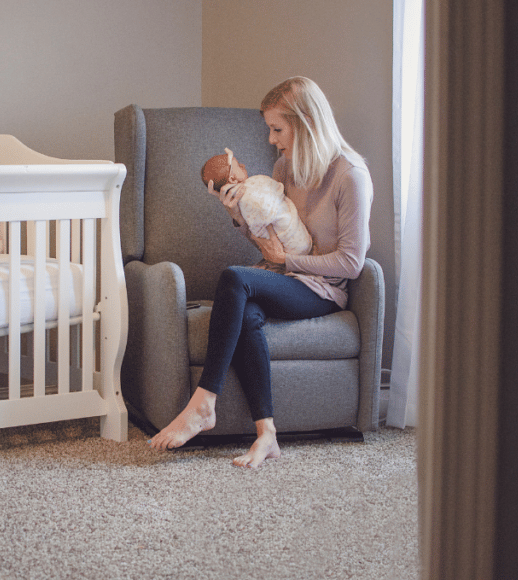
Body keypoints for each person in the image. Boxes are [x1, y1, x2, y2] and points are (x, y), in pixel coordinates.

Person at [148, 76, 373, 468]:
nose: (270, 139)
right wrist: (238, 215)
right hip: (285, 277)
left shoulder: (349, 176)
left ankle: (203, 404)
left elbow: (352, 264)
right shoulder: (285, 167)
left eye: (277, 129)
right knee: (247, 314)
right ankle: (266, 434)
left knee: (235, 278)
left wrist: (289, 263)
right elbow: (270, 245)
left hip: (322, 289)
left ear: (306, 124)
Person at [200, 148, 313, 259]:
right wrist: (237, 217)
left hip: (296, 257)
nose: (243, 165)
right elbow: (263, 233)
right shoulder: (247, 197)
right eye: (238, 165)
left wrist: (283, 259)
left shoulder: (252, 187)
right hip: (292, 250)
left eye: (277, 130)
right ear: (233, 179)